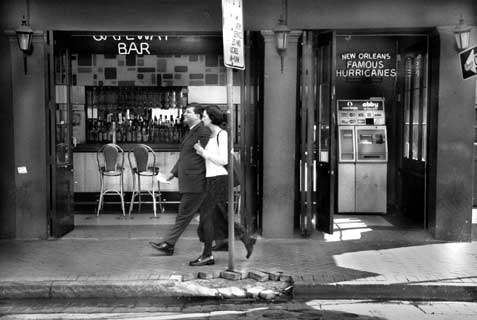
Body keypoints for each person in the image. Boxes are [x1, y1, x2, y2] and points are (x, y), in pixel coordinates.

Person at [190, 105, 256, 266]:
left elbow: (223, 160)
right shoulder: (212, 135)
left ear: (212, 117)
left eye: (204, 116)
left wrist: (202, 152)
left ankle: (207, 255)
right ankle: (245, 238)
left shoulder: (222, 134)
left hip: (219, 180)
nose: (202, 118)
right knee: (218, 216)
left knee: (206, 218)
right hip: (212, 179)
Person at [149, 103, 211, 255]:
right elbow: (185, 157)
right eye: (185, 112)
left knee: (184, 213)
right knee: (217, 215)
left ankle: (169, 243)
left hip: (196, 181)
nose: (185, 114)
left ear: (198, 115)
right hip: (191, 180)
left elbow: (206, 157)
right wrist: (170, 175)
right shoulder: (191, 131)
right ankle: (242, 237)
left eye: (188, 112)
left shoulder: (203, 132)